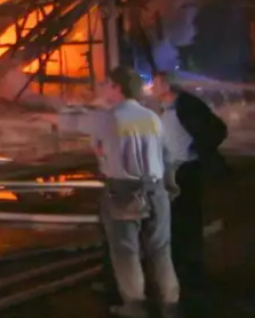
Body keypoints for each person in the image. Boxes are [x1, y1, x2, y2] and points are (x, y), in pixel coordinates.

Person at [57, 67, 179, 318]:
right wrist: (170, 185)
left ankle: (135, 307)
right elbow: (167, 155)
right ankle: (171, 305)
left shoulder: (108, 118)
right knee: (160, 249)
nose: (102, 88)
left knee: (126, 251)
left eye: (106, 84)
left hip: (124, 192)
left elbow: (70, 121)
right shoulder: (152, 117)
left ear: (116, 87)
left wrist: (44, 114)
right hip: (156, 190)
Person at [151, 72, 228, 296]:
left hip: (185, 172)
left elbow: (217, 129)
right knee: (177, 222)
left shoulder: (186, 105)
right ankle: (184, 270)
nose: (151, 88)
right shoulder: (168, 109)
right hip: (173, 172)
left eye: (154, 83)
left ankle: (190, 273)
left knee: (185, 221)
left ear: (166, 85)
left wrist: (198, 150)